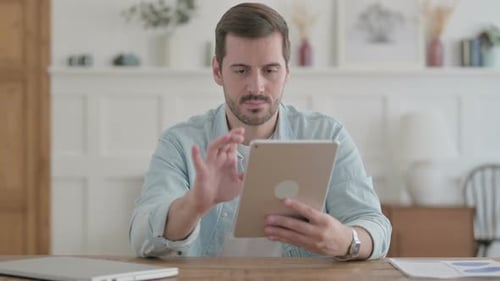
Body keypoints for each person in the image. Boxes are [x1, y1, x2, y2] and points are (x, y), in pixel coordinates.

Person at [129, 2, 391, 260]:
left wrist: (347, 241)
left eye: (270, 70)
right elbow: (141, 238)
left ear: (287, 71)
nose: (256, 87)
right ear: (218, 71)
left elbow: (374, 226)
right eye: (241, 70)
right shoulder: (181, 143)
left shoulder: (328, 134)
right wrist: (194, 204)